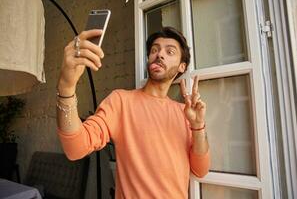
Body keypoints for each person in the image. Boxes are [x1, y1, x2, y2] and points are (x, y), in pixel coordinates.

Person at [56, 27, 210, 198]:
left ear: (182, 66)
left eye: (170, 51)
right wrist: (66, 86)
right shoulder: (121, 101)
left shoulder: (185, 112)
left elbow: (200, 170)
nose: (159, 54)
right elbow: (75, 148)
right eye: (154, 50)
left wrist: (198, 126)